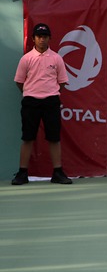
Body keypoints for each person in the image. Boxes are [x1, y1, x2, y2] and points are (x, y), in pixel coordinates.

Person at [11, 23, 72, 185]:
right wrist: (31, 93)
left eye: (45, 37)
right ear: (33, 39)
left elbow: (62, 82)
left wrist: (49, 93)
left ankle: (57, 173)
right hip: (30, 102)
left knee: (54, 138)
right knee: (28, 137)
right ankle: (22, 173)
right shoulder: (26, 59)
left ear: (49, 38)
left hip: (51, 101)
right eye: (39, 36)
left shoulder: (57, 58)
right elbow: (19, 82)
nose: (42, 40)